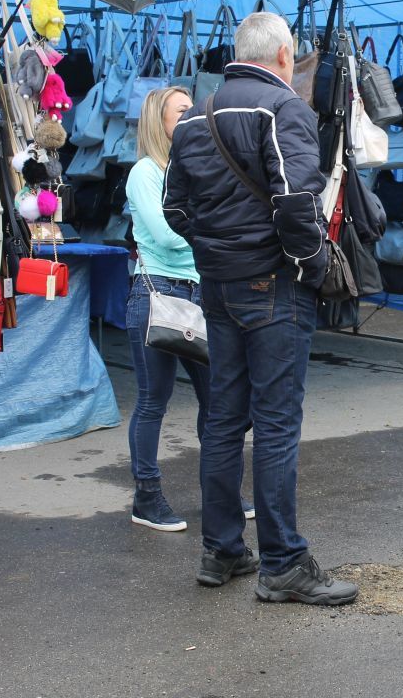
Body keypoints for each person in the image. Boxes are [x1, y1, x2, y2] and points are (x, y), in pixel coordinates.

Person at [163, 12, 357, 605]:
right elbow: (297, 202)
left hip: (220, 285)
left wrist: (217, 252)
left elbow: (175, 210)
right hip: (273, 284)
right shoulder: (283, 108)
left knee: (224, 417)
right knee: (274, 422)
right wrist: (314, 267)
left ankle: (221, 548)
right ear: (283, 56)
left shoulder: (194, 116)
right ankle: (284, 563)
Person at [125, 86, 254, 532]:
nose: (190, 116)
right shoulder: (145, 172)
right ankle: (146, 498)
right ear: (158, 121)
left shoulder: (194, 167)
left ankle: (222, 493)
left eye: (191, 110)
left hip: (201, 292)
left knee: (218, 402)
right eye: (181, 111)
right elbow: (165, 236)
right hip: (158, 293)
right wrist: (217, 235)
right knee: (153, 401)